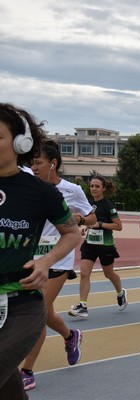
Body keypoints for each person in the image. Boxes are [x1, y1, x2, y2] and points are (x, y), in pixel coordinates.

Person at [0, 104, 80, 399]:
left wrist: (47, 261)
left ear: (21, 142)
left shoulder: (41, 191)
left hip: (22, 305)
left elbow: (72, 233)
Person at [21, 139, 97, 392]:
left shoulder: (72, 190)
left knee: (38, 314)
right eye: (32, 162)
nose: (34, 167)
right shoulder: (27, 184)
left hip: (59, 259)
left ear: (52, 164)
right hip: (30, 257)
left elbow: (92, 219)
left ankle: (26, 370)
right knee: (45, 310)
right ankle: (70, 336)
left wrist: (78, 218)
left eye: (38, 162)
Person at [69, 176, 127, 318]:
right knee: (84, 273)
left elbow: (118, 226)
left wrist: (100, 224)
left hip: (105, 245)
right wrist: (86, 227)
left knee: (109, 273)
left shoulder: (108, 205)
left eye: (97, 186)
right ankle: (83, 305)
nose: (94, 189)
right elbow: (87, 221)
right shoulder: (87, 204)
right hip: (89, 244)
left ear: (103, 188)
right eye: (92, 186)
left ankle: (121, 293)